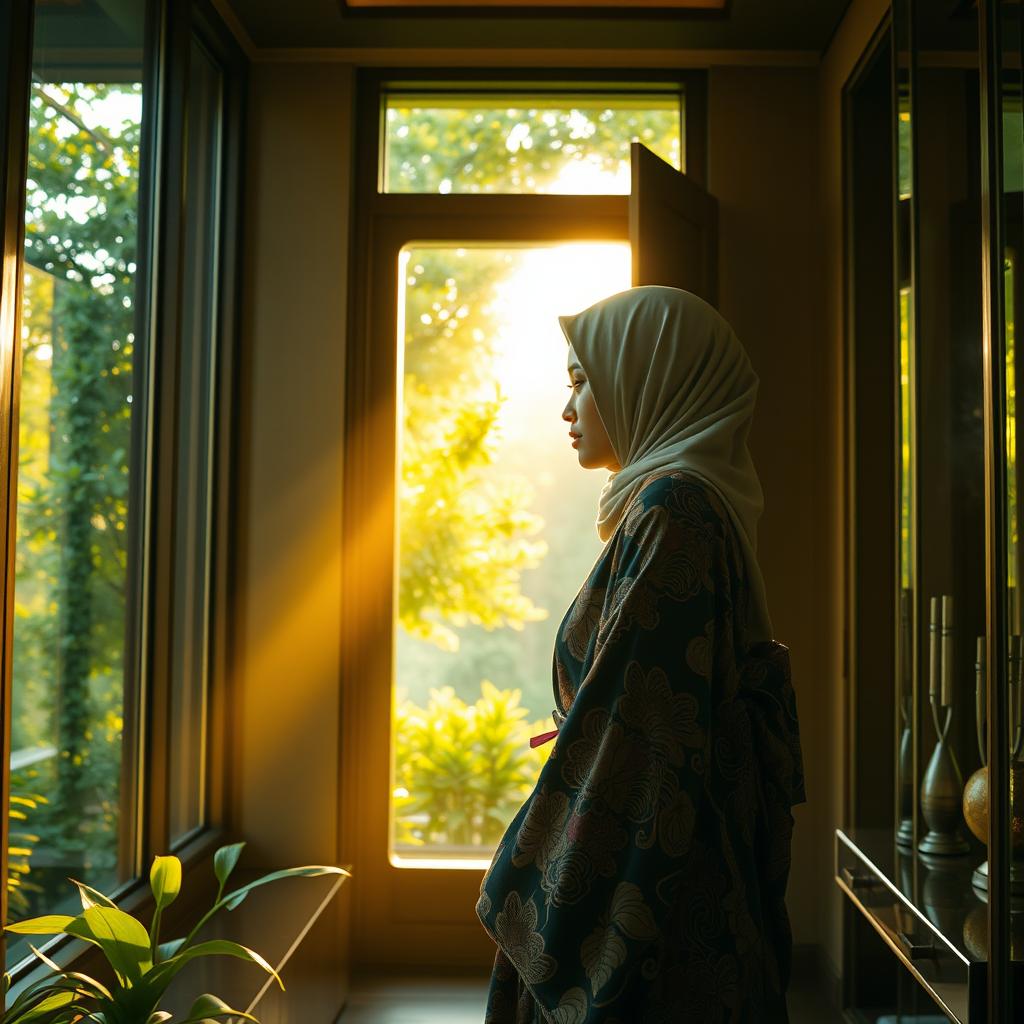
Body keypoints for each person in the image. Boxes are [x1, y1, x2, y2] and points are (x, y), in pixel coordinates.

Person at [475, 285, 806, 1023]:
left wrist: (533, 886)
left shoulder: (673, 510)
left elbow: (635, 730)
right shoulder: (672, 503)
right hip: (686, 875)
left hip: (662, 905)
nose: (567, 410)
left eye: (580, 383)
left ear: (648, 378)